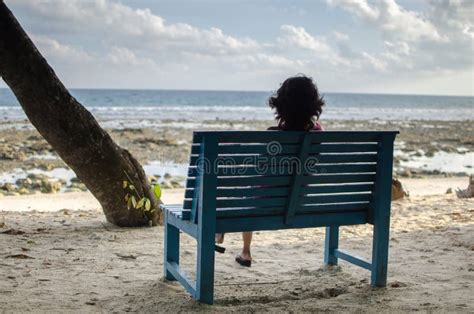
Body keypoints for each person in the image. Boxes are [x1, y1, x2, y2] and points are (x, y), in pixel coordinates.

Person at [216, 74, 325, 267]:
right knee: (253, 191)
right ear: (313, 104)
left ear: (280, 105)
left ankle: (245, 251)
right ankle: (241, 248)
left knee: (248, 192)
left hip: (265, 204)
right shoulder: (319, 133)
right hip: (305, 201)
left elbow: (261, 169)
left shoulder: (272, 135)